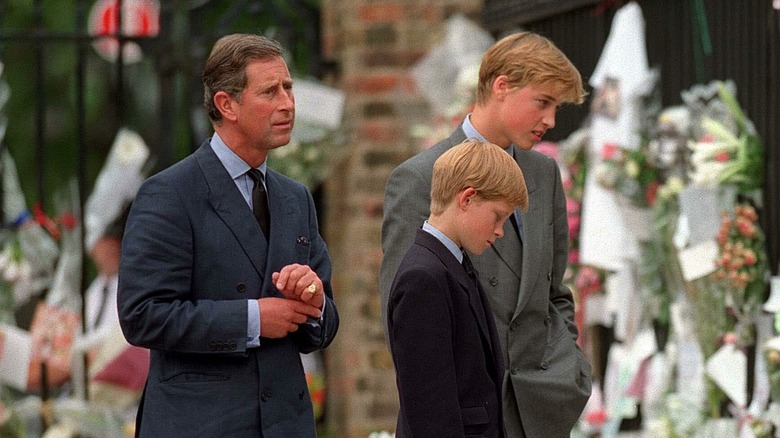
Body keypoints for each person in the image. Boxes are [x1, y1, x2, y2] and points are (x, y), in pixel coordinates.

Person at [117, 33, 339, 437]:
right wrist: (254, 318)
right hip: (202, 425)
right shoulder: (169, 194)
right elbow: (142, 316)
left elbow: (323, 327)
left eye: (288, 88)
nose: (287, 103)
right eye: (270, 91)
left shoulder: (296, 198)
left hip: (286, 425)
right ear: (226, 104)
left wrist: (315, 299)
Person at [380, 31, 592, 437]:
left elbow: (553, 290)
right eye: (543, 102)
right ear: (501, 86)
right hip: (465, 416)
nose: (550, 120)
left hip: (543, 409)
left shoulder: (543, 173)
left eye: (557, 107)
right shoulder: (418, 177)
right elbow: (404, 316)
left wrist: (568, 369)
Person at [389, 140, 527, 438]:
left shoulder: (451, 263)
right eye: (498, 215)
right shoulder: (423, 278)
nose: (500, 230)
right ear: (467, 199)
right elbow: (430, 411)